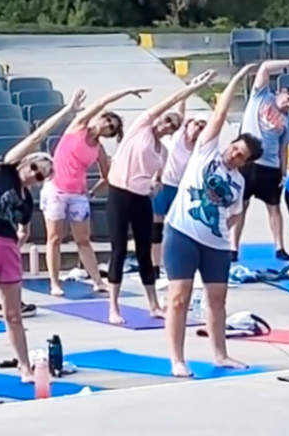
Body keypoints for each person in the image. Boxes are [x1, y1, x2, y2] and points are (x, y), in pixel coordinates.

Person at [0, 93, 85, 395]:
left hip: (5, 247)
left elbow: (23, 228)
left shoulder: (27, 198)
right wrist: (67, 111)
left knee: (13, 314)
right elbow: (37, 136)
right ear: (26, 163)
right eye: (35, 168)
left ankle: (25, 366)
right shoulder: (3, 172)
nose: (35, 175)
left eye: (41, 175)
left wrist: (20, 236)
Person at [163, 64, 262, 377]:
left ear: (245, 162)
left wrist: (222, 237)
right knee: (178, 299)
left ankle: (220, 354)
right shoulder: (206, 152)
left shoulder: (238, 182)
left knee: (217, 299)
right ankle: (177, 359)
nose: (234, 154)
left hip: (215, 243)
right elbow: (218, 116)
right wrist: (234, 81)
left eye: (241, 155)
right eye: (235, 147)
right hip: (182, 233)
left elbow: (234, 216)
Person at [102, 70, 217, 326]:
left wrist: (154, 186)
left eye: (172, 126)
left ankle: (153, 303)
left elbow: (158, 177)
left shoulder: (162, 151)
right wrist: (193, 87)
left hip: (141, 198)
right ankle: (113, 305)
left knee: (145, 250)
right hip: (119, 195)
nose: (166, 127)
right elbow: (168, 102)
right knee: (119, 249)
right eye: (166, 122)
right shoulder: (140, 127)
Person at [42, 86, 145, 296]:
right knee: (54, 238)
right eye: (107, 121)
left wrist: (93, 191)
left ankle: (97, 281)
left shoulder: (99, 149)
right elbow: (100, 102)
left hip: (78, 194)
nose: (106, 126)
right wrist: (125, 92)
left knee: (83, 239)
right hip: (55, 190)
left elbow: (107, 175)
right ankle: (54, 282)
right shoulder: (77, 128)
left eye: (111, 127)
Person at [229, 59, 289, 262]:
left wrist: (282, 172)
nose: (288, 104)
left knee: (274, 207)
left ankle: (279, 247)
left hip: (270, 166)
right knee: (240, 206)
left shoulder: (288, 123)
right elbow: (264, 68)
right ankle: (233, 248)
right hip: (246, 161)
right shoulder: (261, 96)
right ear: (281, 91)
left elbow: (283, 149)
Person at [153, 115, 207, 276]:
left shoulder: (200, 149)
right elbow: (179, 110)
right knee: (156, 227)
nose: (197, 129)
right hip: (165, 184)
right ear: (188, 125)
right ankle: (154, 265)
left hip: (182, 190)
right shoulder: (178, 137)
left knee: (177, 228)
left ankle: (175, 264)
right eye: (196, 124)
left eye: (202, 127)